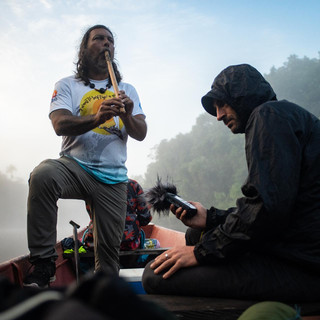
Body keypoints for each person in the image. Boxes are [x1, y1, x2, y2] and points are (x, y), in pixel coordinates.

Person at [142, 64, 320, 301]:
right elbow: (274, 206)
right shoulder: (284, 117)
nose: (218, 116)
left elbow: (268, 209)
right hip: (296, 248)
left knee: (154, 275)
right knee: (197, 233)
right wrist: (211, 218)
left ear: (242, 95)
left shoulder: (268, 116)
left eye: (222, 104)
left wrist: (201, 253)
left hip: (304, 267)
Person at [23, 25, 147, 287]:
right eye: (98, 39)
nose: (106, 44)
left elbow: (140, 133)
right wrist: (97, 117)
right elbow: (60, 125)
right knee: (43, 175)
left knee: (108, 264)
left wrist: (126, 115)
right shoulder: (67, 85)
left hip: (113, 179)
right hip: (74, 167)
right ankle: (44, 263)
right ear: (84, 48)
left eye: (110, 41)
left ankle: (102, 295)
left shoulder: (127, 89)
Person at [120, 179, 152, 251]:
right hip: (128, 243)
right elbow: (145, 218)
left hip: (98, 241)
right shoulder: (133, 185)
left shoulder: (94, 183)